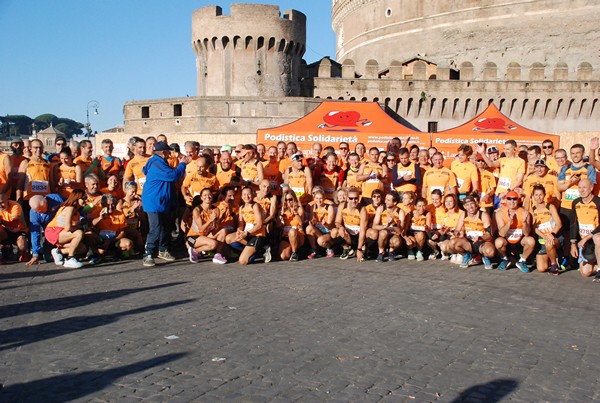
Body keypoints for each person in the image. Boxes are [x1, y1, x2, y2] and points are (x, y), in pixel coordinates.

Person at [141, 141, 189, 267]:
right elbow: (172, 175)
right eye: (168, 151)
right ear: (162, 152)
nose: (169, 154)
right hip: (154, 202)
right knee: (156, 228)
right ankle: (148, 253)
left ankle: (163, 250)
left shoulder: (160, 162)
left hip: (162, 201)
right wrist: (183, 164)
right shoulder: (157, 164)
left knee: (165, 227)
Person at [44, 189, 87, 269]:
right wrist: (80, 226)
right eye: (84, 198)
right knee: (79, 233)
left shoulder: (76, 211)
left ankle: (59, 251)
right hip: (53, 231)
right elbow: (68, 228)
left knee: (82, 248)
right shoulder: (69, 208)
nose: (86, 200)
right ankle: (70, 258)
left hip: (61, 232)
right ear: (77, 198)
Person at [495, 190, 535, 272]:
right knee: (498, 242)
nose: (512, 201)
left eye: (514, 199)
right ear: (506, 200)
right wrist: (509, 223)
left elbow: (527, 233)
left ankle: (522, 261)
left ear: (519, 200)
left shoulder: (524, 212)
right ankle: (505, 259)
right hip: (507, 240)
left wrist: (524, 223)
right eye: (509, 199)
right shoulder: (500, 213)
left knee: (531, 241)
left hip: (520, 240)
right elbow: (502, 233)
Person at [451, 195, 495, 269]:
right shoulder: (463, 215)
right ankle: (467, 255)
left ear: (476, 204)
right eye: (467, 205)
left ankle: (485, 256)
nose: (470, 207)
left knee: (490, 252)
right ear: (464, 207)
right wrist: (458, 233)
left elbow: (489, 235)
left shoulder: (483, 215)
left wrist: (480, 237)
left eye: (472, 204)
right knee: (452, 243)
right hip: (468, 243)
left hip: (482, 242)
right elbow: (457, 230)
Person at [225, 186, 266, 265]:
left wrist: (246, 233)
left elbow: (259, 224)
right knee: (228, 238)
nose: (246, 196)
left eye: (249, 194)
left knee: (243, 261)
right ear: (241, 196)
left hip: (257, 234)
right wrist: (239, 231)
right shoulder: (241, 208)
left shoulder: (255, 206)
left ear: (253, 195)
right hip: (247, 234)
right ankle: (252, 250)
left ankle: (260, 251)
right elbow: (241, 223)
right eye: (244, 194)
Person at [569, 178, 600, 279]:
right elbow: (573, 224)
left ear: (591, 188)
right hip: (586, 243)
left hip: (596, 237)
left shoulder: (598, 202)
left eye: (584, 187)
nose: (581, 190)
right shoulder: (575, 203)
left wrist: (586, 237)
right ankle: (597, 266)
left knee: (597, 238)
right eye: (579, 187)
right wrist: (573, 243)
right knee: (585, 273)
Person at [530, 184, 562, 274]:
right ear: (533, 196)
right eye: (536, 195)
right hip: (543, 239)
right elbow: (534, 228)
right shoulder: (532, 210)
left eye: (540, 195)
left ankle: (554, 265)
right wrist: (544, 236)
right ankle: (551, 256)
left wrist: (551, 234)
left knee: (549, 242)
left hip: (555, 237)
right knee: (541, 268)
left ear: (544, 195)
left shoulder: (550, 207)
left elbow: (559, 224)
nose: (538, 197)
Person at [27, 193, 65, 265]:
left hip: (62, 228)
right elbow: (35, 232)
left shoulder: (57, 200)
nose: (38, 212)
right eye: (37, 211)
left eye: (41, 210)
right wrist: (35, 254)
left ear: (46, 203)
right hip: (50, 234)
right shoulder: (33, 213)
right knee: (48, 258)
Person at [333, 187, 367, 262]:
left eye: (356, 198)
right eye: (351, 198)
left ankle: (359, 249)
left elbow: (362, 231)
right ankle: (347, 248)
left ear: (358, 198)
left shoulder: (362, 209)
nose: (353, 201)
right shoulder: (342, 205)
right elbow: (337, 222)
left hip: (358, 236)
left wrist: (359, 249)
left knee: (371, 234)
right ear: (347, 198)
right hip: (348, 235)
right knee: (334, 232)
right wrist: (341, 227)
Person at [371, 191, 405, 262]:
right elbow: (374, 226)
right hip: (383, 233)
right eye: (385, 199)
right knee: (383, 233)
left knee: (396, 241)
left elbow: (400, 231)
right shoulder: (381, 209)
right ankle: (381, 252)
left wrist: (393, 223)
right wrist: (385, 226)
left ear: (395, 202)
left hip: (394, 233)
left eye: (388, 200)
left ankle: (391, 251)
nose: (385, 201)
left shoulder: (400, 212)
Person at [0, 192, 29, 262]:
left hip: (18, 230)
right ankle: (5, 247)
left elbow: (14, 223)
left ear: (7, 200)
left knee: (22, 246)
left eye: (2, 202)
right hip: (4, 231)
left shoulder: (15, 205)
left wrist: (1, 221)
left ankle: (23, 253)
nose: (0, 205)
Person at [277, 189, 305, 262]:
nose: (288, 202)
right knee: (283, 256)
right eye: (286, 200)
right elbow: (278, 226)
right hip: (286, 236)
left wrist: (295, 213)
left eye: (290, 199)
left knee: (292, 231)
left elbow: (301, 223)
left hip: (298, 235)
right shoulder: (282, 211)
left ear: (294, 199)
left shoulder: (299, 209)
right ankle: (293, 250)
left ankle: (295, 252)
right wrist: (281, 218)